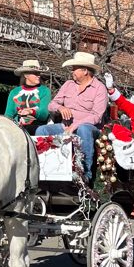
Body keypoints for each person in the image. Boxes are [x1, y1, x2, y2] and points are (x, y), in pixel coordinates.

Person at [34, 52, 108, 183]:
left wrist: (76, 124)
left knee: (83, 129)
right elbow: (52, 105)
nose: (72, 71)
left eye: (75, 68)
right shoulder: (68, 84)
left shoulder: (100, 88)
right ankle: (45, 170)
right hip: (65, 126)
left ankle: (85, 173)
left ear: (85, 71)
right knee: (42, 131)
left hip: (91, 129)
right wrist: (60, 108)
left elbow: (97, 116)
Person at [4, 59, 51, 132]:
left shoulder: (45, 91)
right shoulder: (14, 92)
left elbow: (44, 114)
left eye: (39, 73)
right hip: (16, 128)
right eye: (35, 73)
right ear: (26, 75)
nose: (38, 76)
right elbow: (8, 115)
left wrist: (31, 111)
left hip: (37, 128)